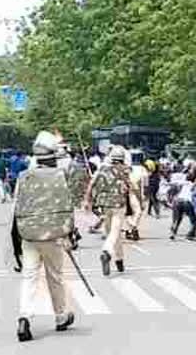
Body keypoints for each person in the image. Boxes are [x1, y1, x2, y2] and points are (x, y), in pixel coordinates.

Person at [13, 132, 77, 342]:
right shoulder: (61, 176)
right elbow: (68, 208)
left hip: (29, 235)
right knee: (55, 276)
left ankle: (24, 317)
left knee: (29, 277)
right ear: (53, 157)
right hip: (53, 235)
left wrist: (15, 244)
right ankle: (60, 317)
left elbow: (16, 209)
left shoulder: (23, 177)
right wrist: (71, 233)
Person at [87, 145, 130, 276]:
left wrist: (87, 200)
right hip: (119, 205)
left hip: (105, 205)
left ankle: (119, 261)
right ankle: (106, 252)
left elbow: (91, 184)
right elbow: (128, 187)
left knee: (112, 233)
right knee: (115, 232)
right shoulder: (125, 170)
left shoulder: (102, 169)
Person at [169, 170, 196, 240]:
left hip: (178, 201)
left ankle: (173, 233)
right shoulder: (194, 186)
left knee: (178, 218)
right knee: (194, 220)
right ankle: (191, 234)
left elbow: (173, 186)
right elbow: (195, 197)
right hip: (187, 202)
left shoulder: (182, 183)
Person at [126, 151, 148, 241]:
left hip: (133, 193)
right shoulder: (142, 170)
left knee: (132, 213)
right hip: (131, 193)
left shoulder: (129, 169)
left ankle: (131, 229)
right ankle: (133, 228)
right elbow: (145, 185)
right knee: (137, 212)